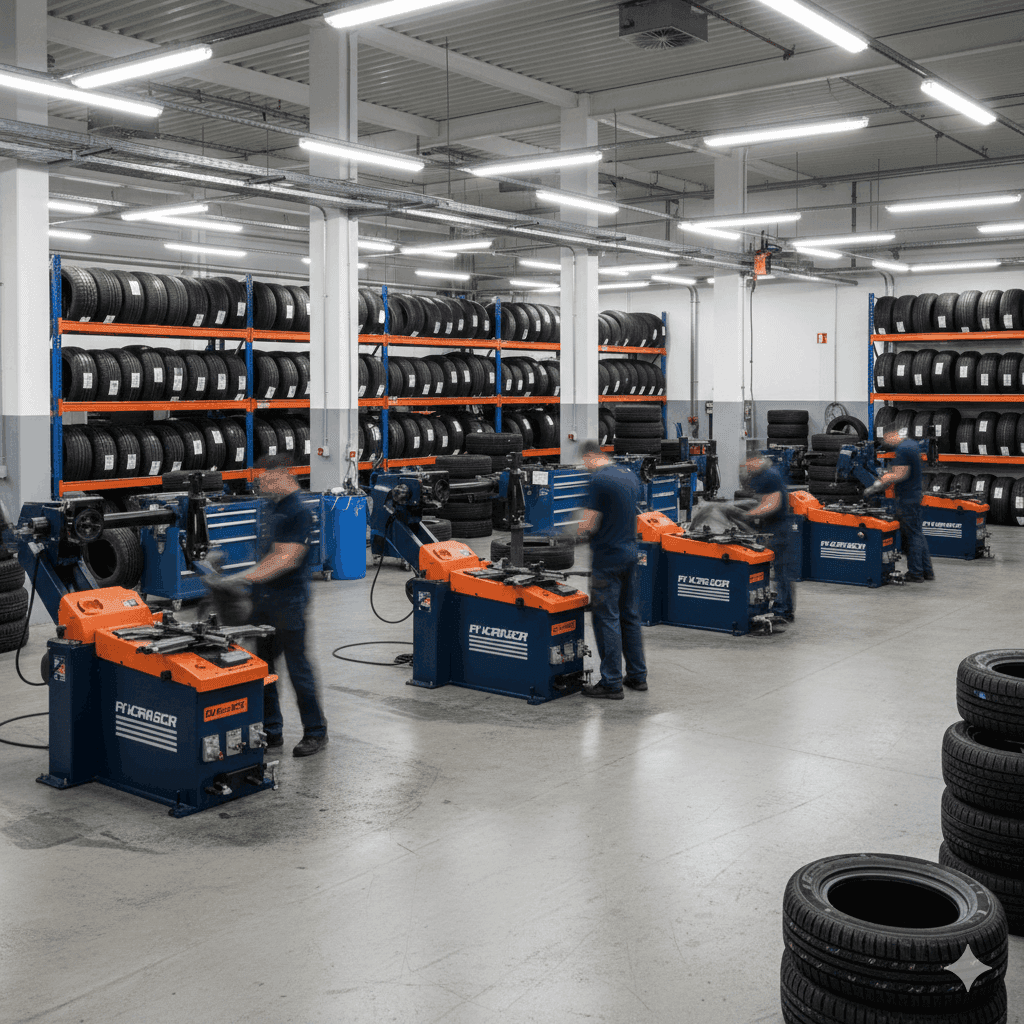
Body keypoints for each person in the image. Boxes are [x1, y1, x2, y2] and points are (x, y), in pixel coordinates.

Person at [244, 454, 329, 756]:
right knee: (264, 669)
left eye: (264, 479)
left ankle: (316, 732)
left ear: (282, 475)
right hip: (265, 602)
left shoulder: (299, 511)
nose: (260, 485)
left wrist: (243, 578)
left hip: (290, 602)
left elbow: (286, 558)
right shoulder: (272, 507)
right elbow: (269, 553)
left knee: (297, 669)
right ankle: (271, 731)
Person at [577, 440, 647, 699]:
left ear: (589, 457)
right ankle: (638, 676)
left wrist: (573, 534)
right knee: (630, 616)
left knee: (606, 618)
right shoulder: (629, 475)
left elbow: (589, 523)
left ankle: (611, 682)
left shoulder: (598, 480)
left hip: (607, 559)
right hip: (630, 554)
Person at [865, 429, 934, 582]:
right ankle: (927, 571)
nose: (886, 443)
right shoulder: (912, 444)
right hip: (914, 496)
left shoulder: (903, 448)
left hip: (907, 499)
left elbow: (900, 473)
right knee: (917, 533)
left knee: (911, 537)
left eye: (886, 439)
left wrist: (877, 485)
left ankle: (916, 573)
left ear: (892, 434)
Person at [745, 455, 796, 624]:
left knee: (781, 571)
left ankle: (783, 609)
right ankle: (781, 606)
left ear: (756, 461)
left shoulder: (770, 475)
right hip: (772, 527)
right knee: (777, 571)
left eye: (749, 464)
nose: (747, 468)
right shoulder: (761, 476)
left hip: (778, 529)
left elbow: (773, 503)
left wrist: (749, 514)